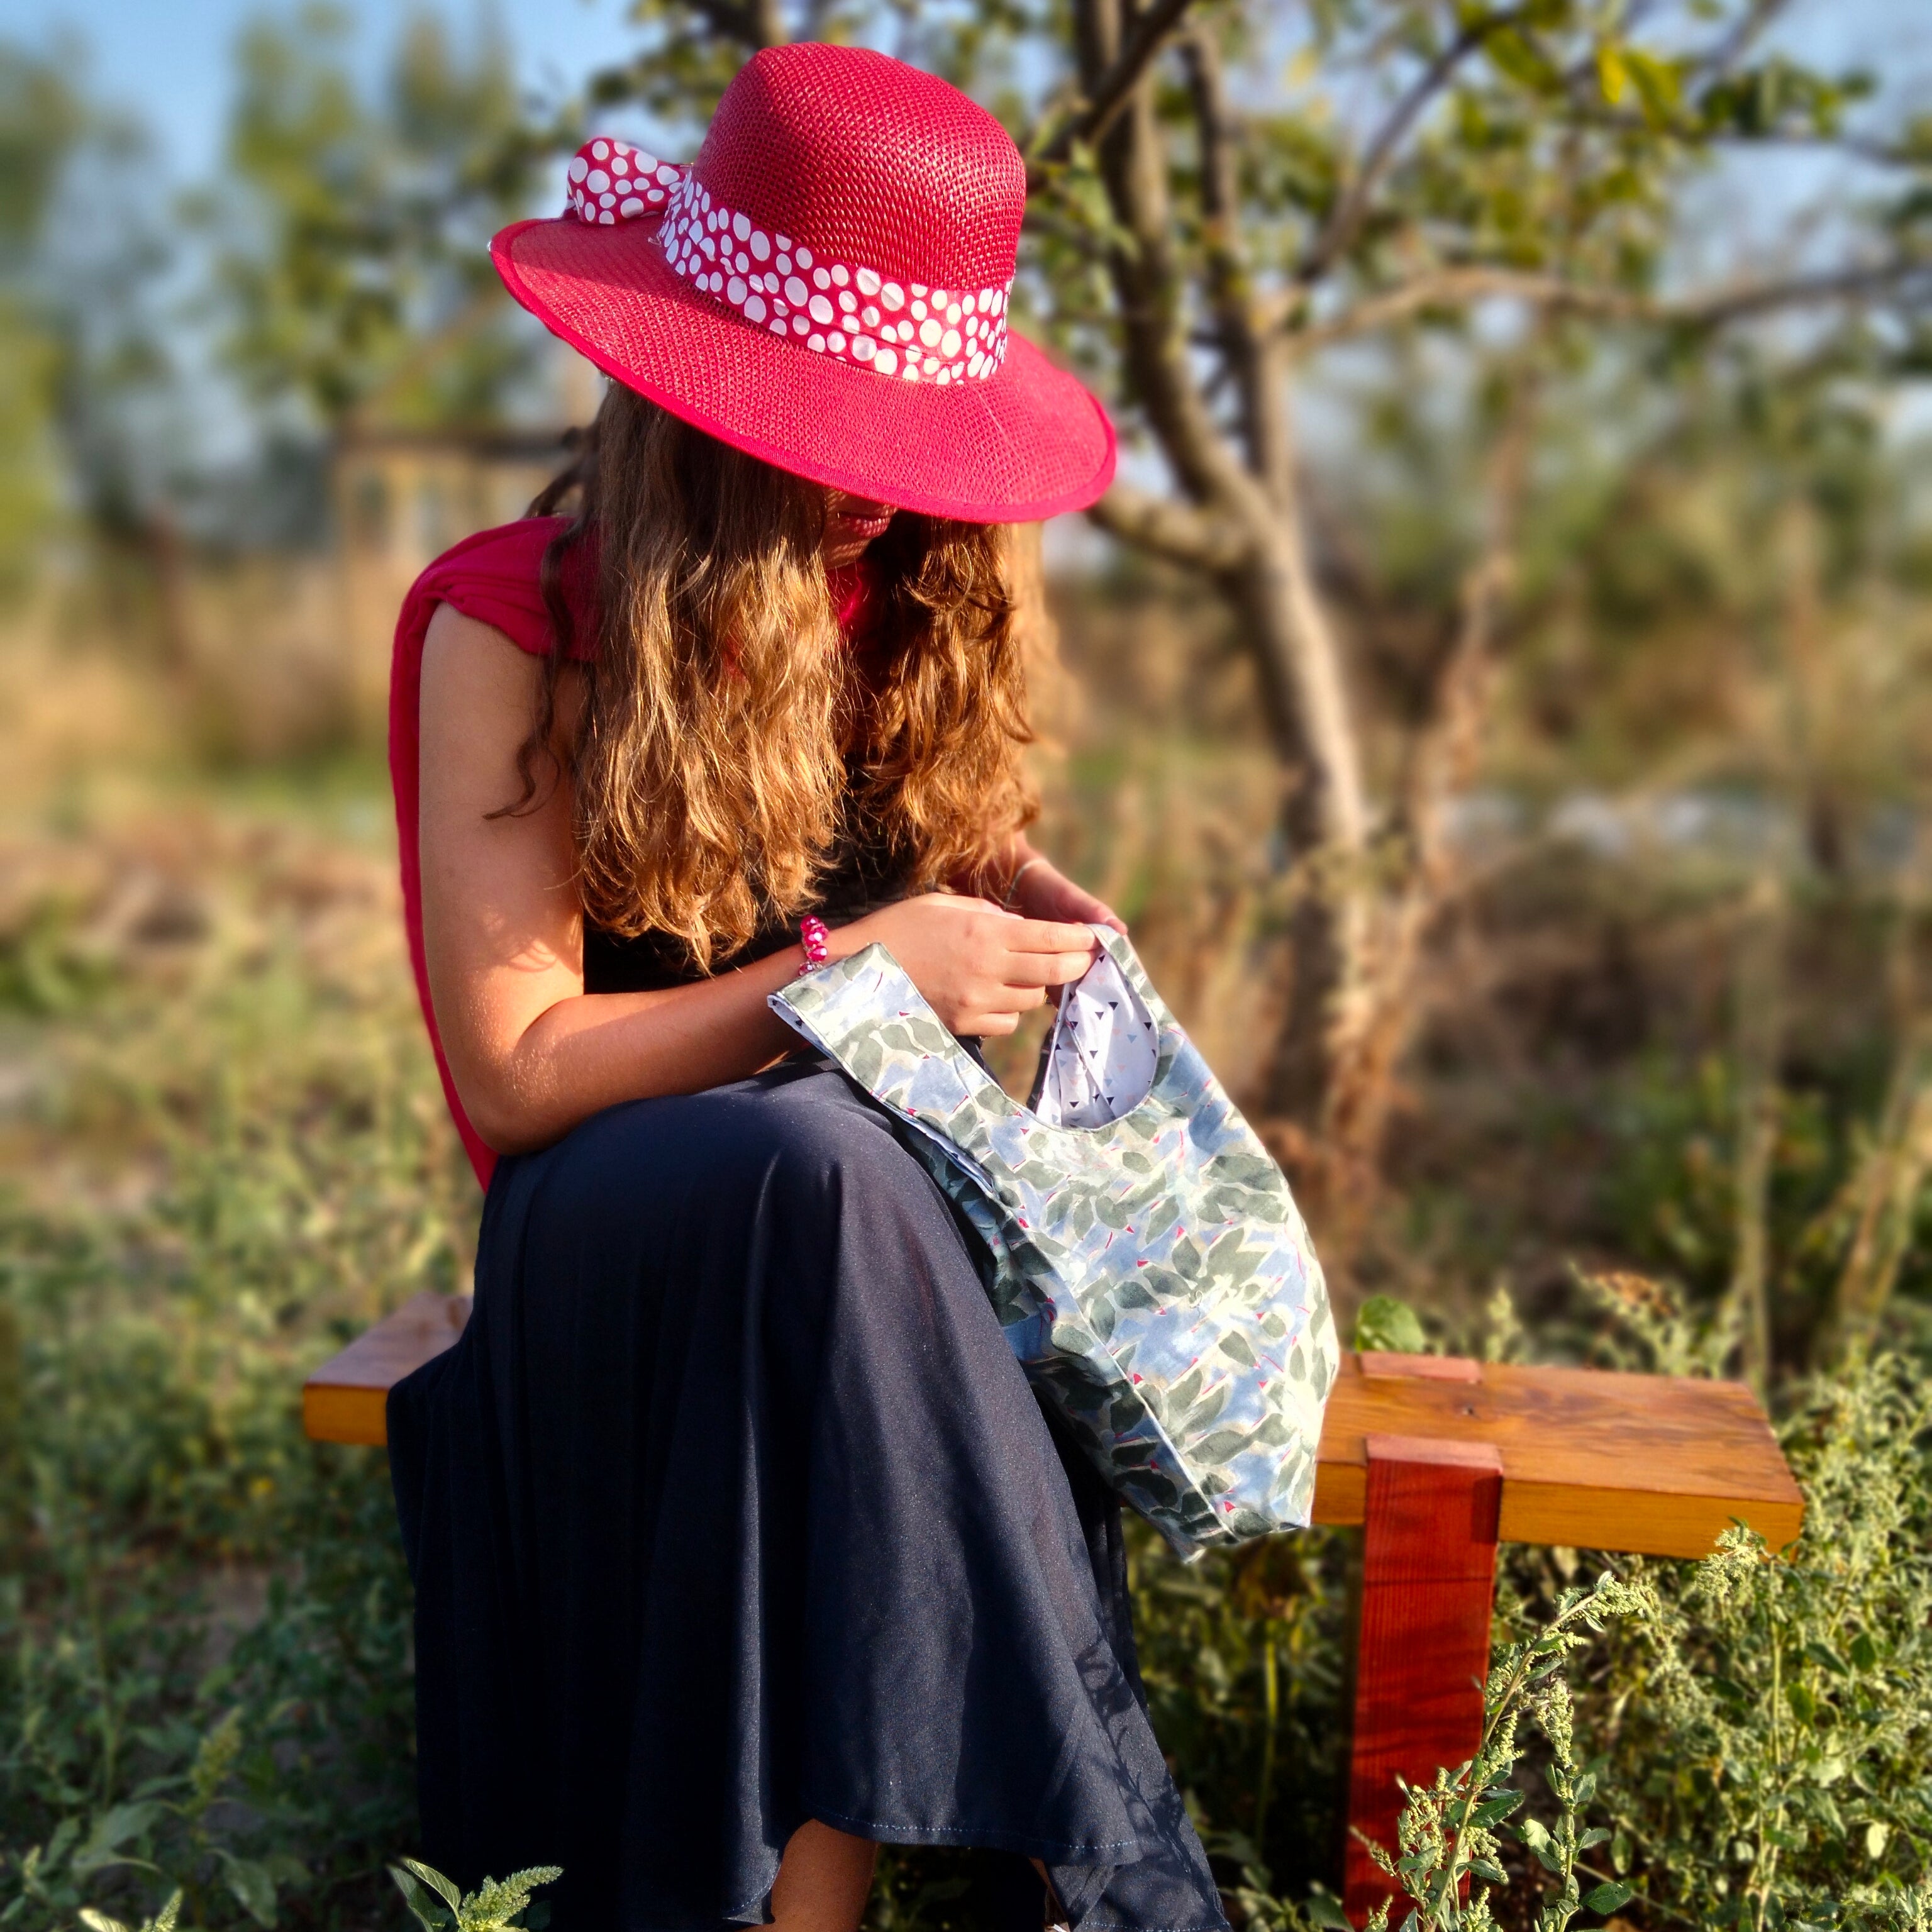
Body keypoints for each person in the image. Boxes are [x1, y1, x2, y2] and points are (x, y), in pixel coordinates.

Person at [385, 42, 1230, 1932]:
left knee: (860, 1226)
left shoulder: (908, 590)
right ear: (704, 404)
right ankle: (1121, 1882)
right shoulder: (507, 623)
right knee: (834, 1177)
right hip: (615, 1225)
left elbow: (902, 854)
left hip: (831, 1249)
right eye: (832, 436)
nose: (876, 493)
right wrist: (853, 983)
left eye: (906, 447)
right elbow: (520, 1074)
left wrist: (1013, 892)